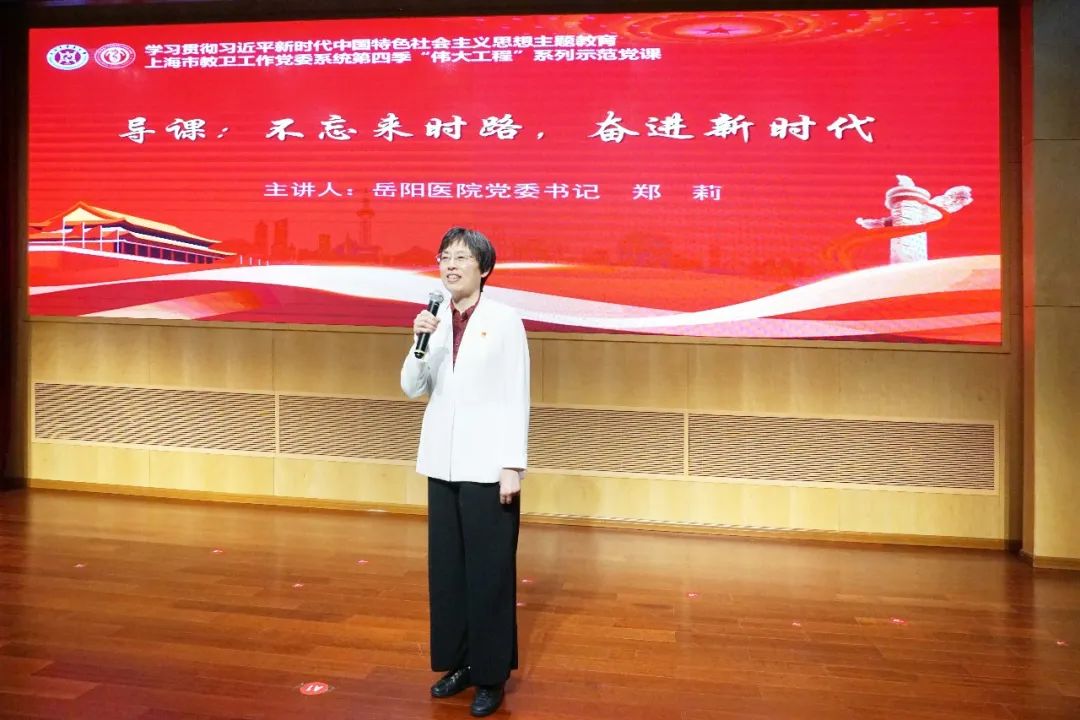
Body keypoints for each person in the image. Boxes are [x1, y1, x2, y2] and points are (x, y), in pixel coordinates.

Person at [400, 227, 530, 717]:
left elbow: (516, 393)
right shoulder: (433, 321)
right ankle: (458, 664)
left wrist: (512, 465)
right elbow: (412, 387)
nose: (450, 266)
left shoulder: (504, 320)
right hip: (442, 462)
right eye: (444, 257)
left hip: (488, 465)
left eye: (460, 258)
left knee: (489, 574)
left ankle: (491, 675)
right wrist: (418, 341)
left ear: (484, 267)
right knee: (449, 572)